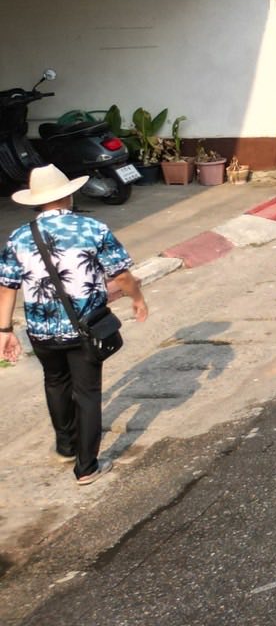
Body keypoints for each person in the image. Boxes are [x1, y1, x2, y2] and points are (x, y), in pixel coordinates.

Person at [0, 165, 150, 485]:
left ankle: (66, 446)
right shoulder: (92, 228)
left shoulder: (19, 236)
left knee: (55, 381)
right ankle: (86, 468)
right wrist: (137, 298)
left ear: (37, 201)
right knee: (87, 392)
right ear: (68, 195)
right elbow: (122, 276)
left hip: (40, 331)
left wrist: (5, 331)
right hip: (85, 328)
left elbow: (6, 287)